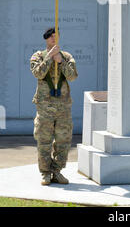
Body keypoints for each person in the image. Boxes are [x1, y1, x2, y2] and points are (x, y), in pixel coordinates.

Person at [30, 27, 78, 186]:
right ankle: (45, 173)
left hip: (63, 107)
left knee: (63, 141)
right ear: (45, 39)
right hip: (45, 107)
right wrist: (50, 57)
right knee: (44, 141)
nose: (53, 38)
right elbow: (38, 73)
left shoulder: (66, 56)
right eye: (50, 36)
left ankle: (56, 171)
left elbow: (72, 76)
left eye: (55, 36)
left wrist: (60, 61)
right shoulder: (38, 56)